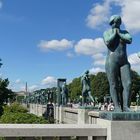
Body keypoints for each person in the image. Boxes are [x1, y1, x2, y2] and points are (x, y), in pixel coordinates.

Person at [103, 15, 132, 112]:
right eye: (114, 22)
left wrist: (119, 34)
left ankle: (126, 106)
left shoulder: (125, 32)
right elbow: (107, 42)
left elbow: (129, 40)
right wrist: (115, 34)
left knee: (128, 83)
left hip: (124, 61)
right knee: (114, 84)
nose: (116, 24)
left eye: (118, 22)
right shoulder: (107, 33)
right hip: (112, 60)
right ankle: (117, 106)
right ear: (111, 23)